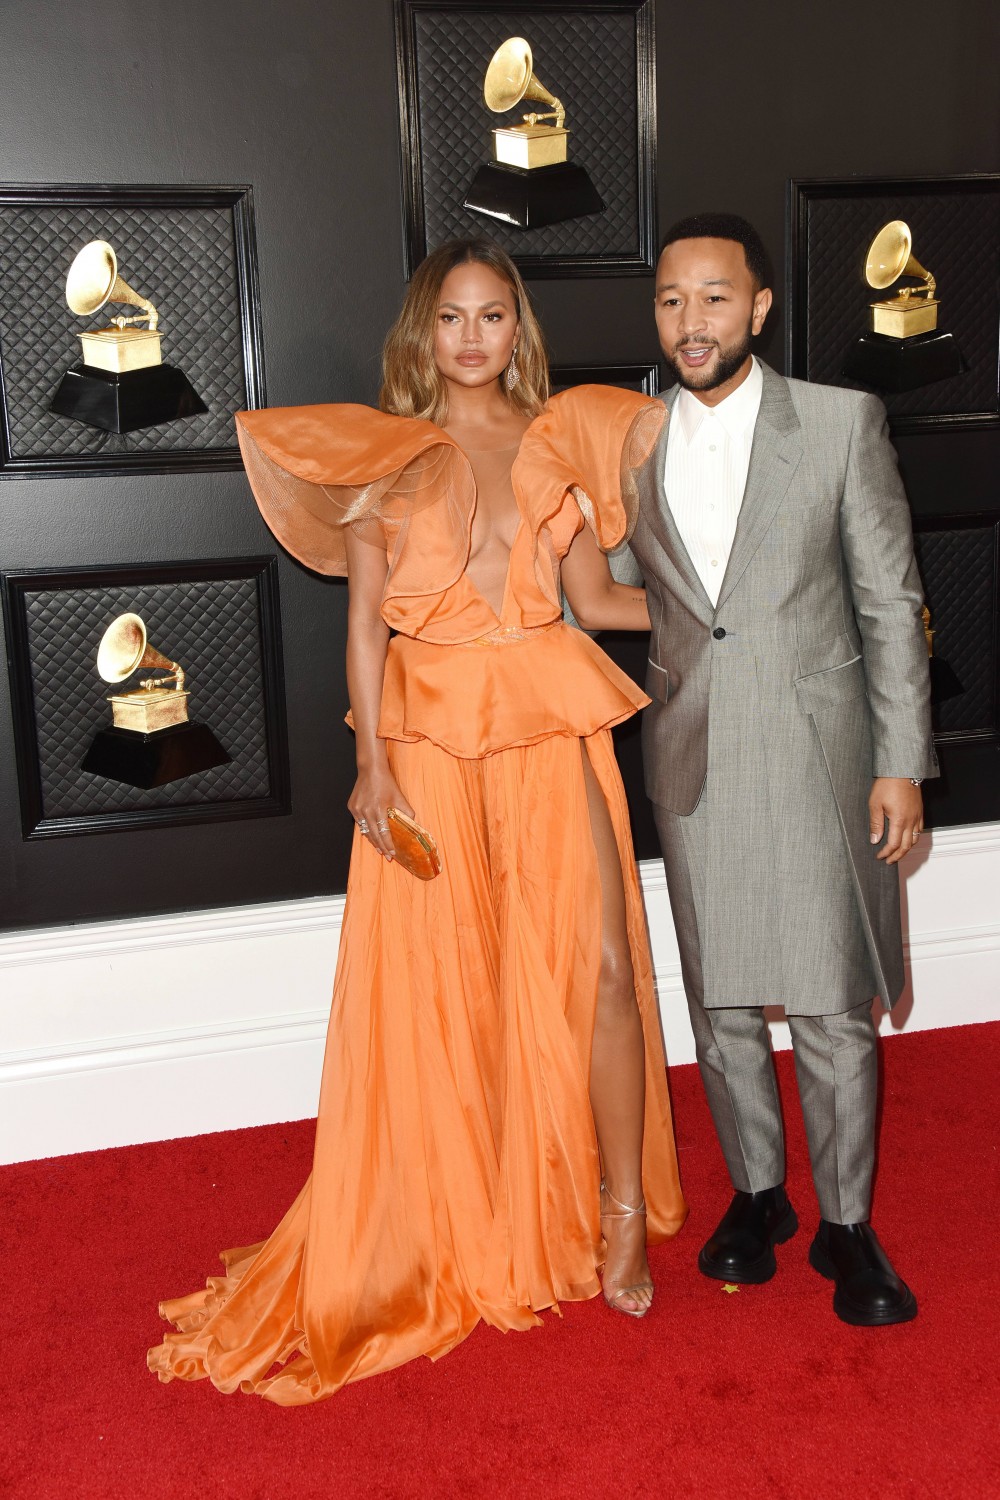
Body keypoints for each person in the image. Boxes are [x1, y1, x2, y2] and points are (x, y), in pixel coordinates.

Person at [147, 238, 686, 1405]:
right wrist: (371, 770)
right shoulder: (383, 457)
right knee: (454, 985)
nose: (474, 337)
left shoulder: (564, 440)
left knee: (595, 970)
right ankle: (470, 1208)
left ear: (518, 330)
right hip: (431, 736)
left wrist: (724, 621)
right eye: (453, 317)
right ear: (422, 333)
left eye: (494, 315)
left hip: (550, 721)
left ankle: (621, 1212)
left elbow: (597, 600)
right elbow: (366, 632)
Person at [628, 212, 936, 1327]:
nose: (689, 320)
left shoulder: (843, 422)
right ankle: (758, 1197)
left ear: (758, 307)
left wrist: (900, 762)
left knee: (826, 1006)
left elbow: (890, 602)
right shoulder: (631, 437)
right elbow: (617, 586)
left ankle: (847, 1225)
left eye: (713, 297)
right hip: (693, 747)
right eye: (670, 300)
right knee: (718, 1004)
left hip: (816, 752)